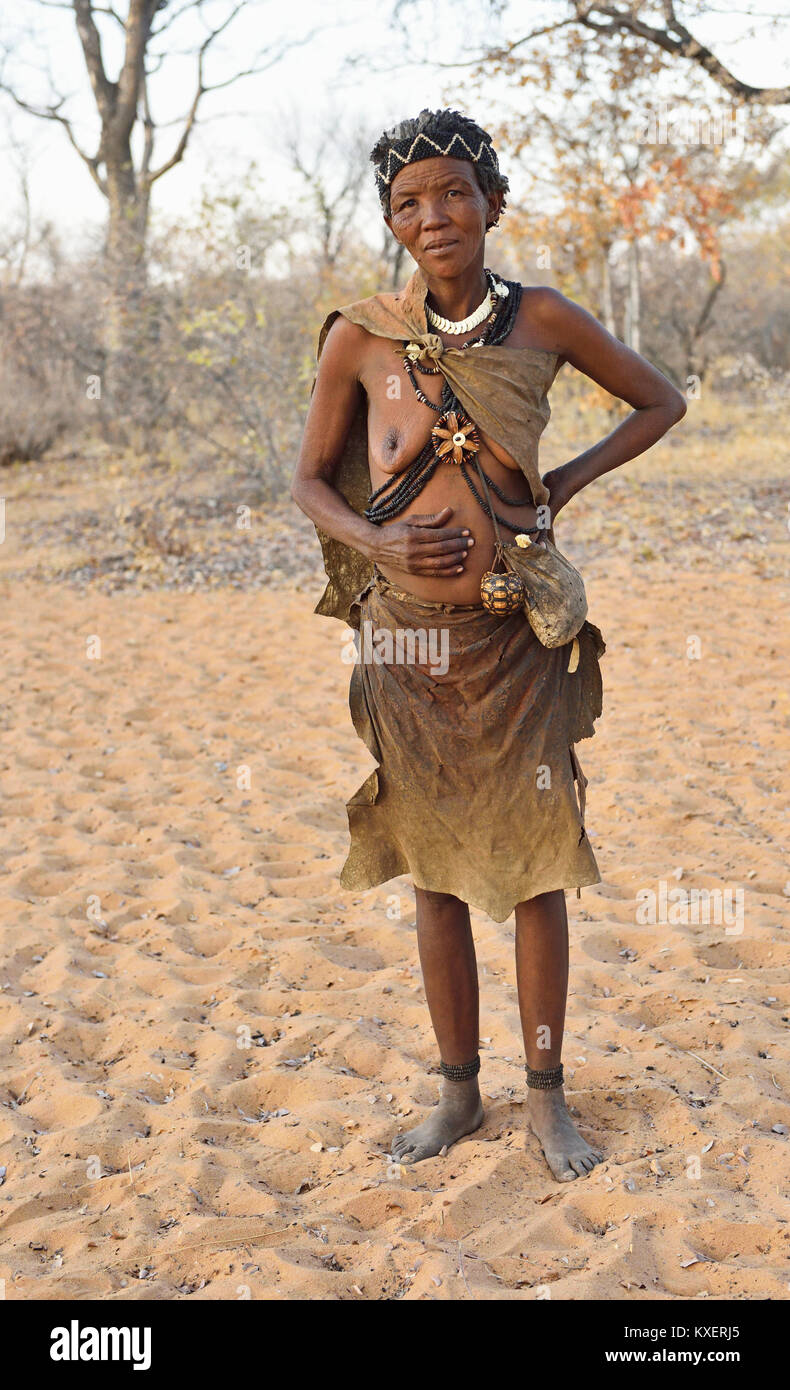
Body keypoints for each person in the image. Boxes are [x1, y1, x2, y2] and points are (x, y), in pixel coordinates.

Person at [291, 108, 686, 1182]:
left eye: (453, 193)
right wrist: (376, 535)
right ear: (390, 220)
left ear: (492, 205)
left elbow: (661, 399)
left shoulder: (543, 322)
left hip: (517, 640)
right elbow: (309, 481)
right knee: (431, 870)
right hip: (406, 648)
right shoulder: (361, 338)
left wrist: (560, 484)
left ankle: (548, 1102)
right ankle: (459, 1094)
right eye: (409, 201)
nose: (434, 215)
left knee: (539, 867)